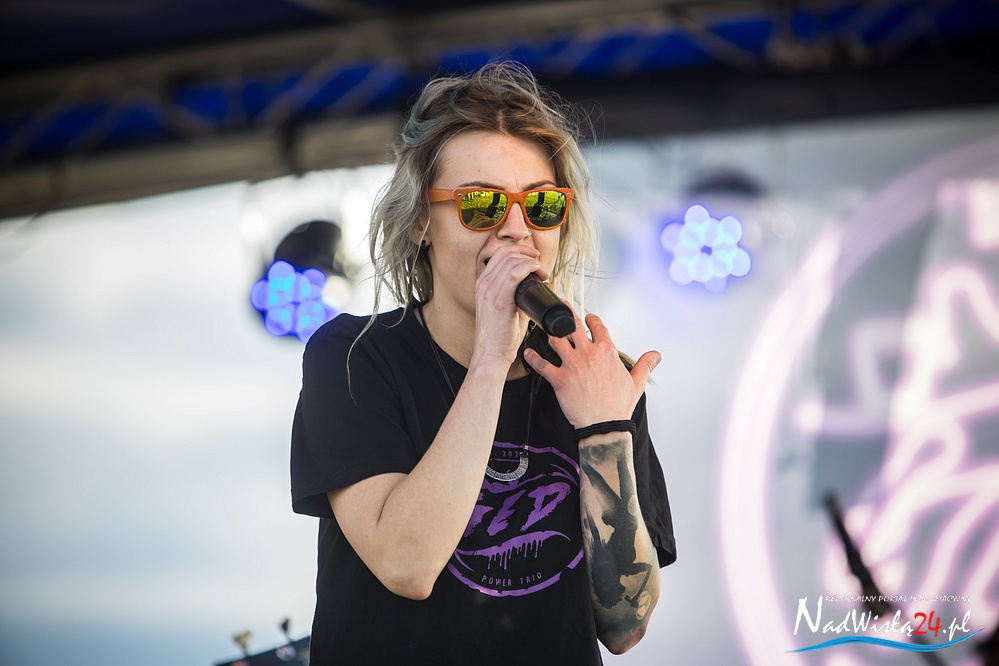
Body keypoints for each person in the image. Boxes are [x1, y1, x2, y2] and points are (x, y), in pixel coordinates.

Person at [291, 61, 676, 664]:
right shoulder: (354, 357)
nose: (517, 229)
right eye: (481, 204)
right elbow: (407, 563)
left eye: (541, 204)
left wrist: (604, 430)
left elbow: (624, 625)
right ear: (421, 222)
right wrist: (492, 359)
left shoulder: (598, 378)